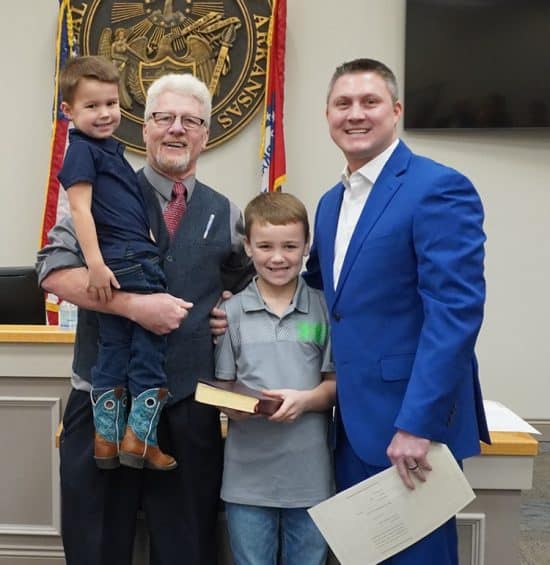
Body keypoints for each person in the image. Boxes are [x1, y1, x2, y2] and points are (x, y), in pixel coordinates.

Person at [37, 72, 254, 565]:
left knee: (187, 550)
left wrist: (229, 313)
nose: (176, 129)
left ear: (205, 134)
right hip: (105, 400)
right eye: (164, 118)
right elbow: (53, 272)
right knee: (96, 549)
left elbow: (250, 286)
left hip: (188, 408)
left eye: (190, 121)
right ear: (145, 127)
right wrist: (133, 306)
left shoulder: (228, 213)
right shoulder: (97, 195)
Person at [302, 58, 491, 564]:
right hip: (351, 423)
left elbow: (454, 314)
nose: (355, 114)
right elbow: (321, 290)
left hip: (410, 428)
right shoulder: (330, 203)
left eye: (370, 102)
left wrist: (418, 424)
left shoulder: (437, 188)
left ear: (396, 111)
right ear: (327, 114)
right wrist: (236, 306)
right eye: (343, 103)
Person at [58, 55, 176, 472]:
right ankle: (140, 440)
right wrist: (94, 263)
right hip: (124, 260)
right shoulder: (82, 151)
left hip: (127, 254)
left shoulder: (107, 150)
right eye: (92, 106)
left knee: (115, 345)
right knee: (149, 347)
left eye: (111, 103)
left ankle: (107, 440)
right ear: (68, 110)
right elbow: (80, 209)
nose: (105, 113)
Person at [215, 192, 336, 565]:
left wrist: (305, 401)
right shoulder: (231, 312)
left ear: (306, 247)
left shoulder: (324, 309)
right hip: (246, 479)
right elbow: (223, 387)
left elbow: (335, 385)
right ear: (248, 247)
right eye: (265, 246)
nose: (278, 257)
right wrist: (234, 407)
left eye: (290, 246)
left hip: (311, 476)